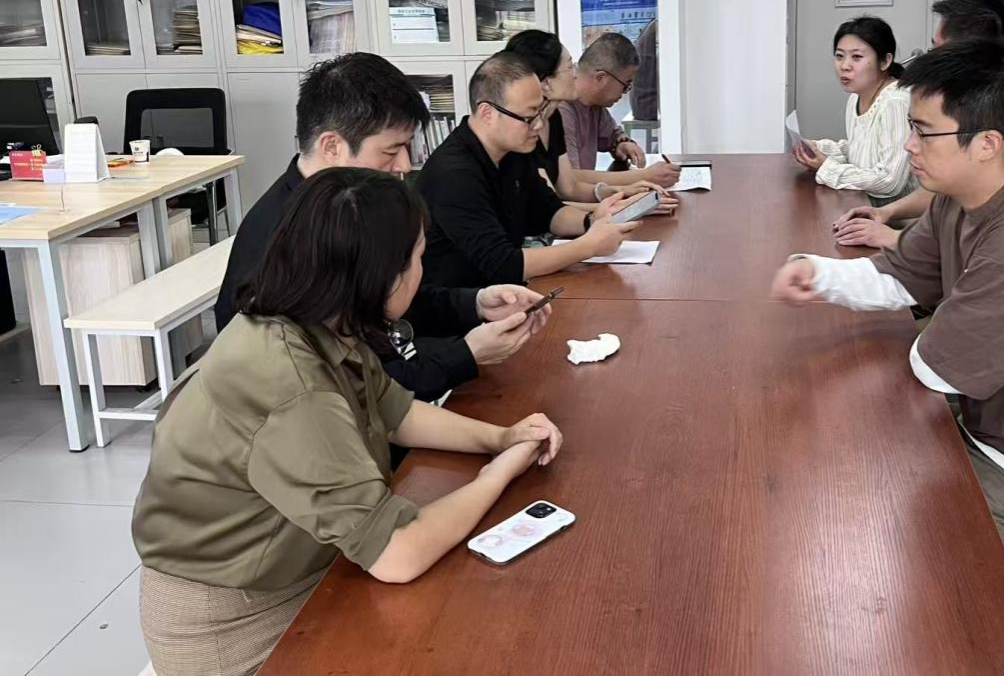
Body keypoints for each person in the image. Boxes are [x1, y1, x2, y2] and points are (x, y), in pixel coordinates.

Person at [134, 168, 564, 675]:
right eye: (418, 258)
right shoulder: (294, 386)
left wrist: (501, 438)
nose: (422, 271)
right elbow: (398, 553)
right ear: (380, 276)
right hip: (234, 619)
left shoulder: (316, 320)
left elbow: (394, 410)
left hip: (291, 567)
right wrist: (498, 473)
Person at [771, 40, 1004, 559]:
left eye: (923, 131)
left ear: (987, 143)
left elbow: (934, 370)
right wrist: (817, 274)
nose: (909, 146)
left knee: (865, 508)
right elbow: (904, 275)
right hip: (1000, 434)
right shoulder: (965, 196)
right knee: (848, 446)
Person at [214, 53, 548, 403]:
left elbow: (388, 300)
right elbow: (357, 384)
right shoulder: (294, 240)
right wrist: (466, 354)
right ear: (332, 146)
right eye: (392, 151)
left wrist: (477, 303)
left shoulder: (346, 207)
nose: (403, 165)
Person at [835, 0, 1004, 249]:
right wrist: (886, 212)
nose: (931, 60)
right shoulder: (969, 103)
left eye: (939, 51)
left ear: (976, 55)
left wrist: (894, 239)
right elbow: (950, 189)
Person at [417, 51, 640, 288]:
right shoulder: (455, 174)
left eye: (540, 112)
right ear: (487, 113)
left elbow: (548, 211)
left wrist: (594, 220)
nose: (539, 124)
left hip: (502, 293)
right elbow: (502, 264)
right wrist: (589, 246)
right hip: (461, 300)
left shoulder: (512, 151)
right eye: (529, 117)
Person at [504, 29, 676, 214]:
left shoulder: (553, 118)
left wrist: (620, 193)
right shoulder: (544, 121)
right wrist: (626, 202)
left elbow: (569, 187)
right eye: (570, 67)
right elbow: (550, 205)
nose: (576, 74)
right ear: (545, 83)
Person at [791, 17, 917, 200]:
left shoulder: (896, 102)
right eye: (839, 56)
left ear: (885, 61)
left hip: (894, 212)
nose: (844, 66)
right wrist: (819, 148)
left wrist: (827, 168)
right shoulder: (855, 97)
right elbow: (862, 152)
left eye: (857, 57)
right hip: (861, 201)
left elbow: (889, 180)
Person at [557, 32, 680, 189]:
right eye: (626, 85)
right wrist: (645, 176)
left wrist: (623, 144)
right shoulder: (560, 110)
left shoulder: (594, 105)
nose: (625, 92)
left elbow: (613, 136)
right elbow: (570, 179)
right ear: (600, 78)